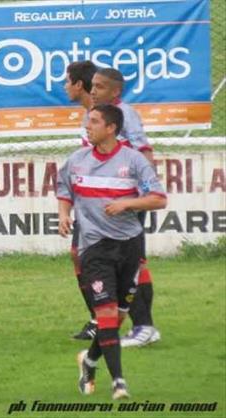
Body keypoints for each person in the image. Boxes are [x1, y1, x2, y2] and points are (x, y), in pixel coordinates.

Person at [57, 104, 167, 399]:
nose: (87, 126)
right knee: (104, 313)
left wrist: (127, 204)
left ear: (111, 129)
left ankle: (89, 361)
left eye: (93, 122)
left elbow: (158, 199)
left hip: (129, 246)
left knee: (116, 317)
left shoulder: (133, 162)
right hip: (94, 247)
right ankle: (119, 382)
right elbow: (64, 191)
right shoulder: (76, 161)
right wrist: (64, 213)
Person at [91, 68, 160, 347]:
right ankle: (123, 324)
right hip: (107, 201)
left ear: (115, 92)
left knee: (132, 263)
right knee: (120, 263)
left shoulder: (125, 114)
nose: (93, 90)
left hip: (127, 200)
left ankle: (144, 326)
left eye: (100, 86)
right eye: (92, 85)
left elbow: (144, 152)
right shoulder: (96, 116)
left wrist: (145, 193)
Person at [64, 60, 99, 340]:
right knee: (78, 255)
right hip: (88, 201)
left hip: (105, 201)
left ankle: (139, 323)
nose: (65, 87)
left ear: (78, 85)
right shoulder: (88, 118)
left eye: (67, 81)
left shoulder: (103, 118)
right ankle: (98, 319)